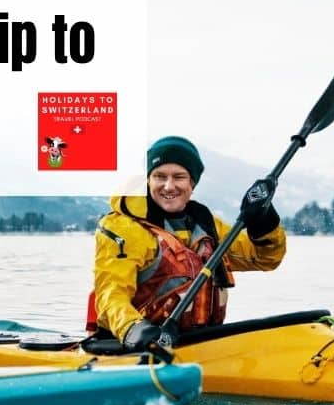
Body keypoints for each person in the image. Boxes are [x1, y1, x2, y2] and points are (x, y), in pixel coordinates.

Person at [87, 136, 287, 351]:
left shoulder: (207, 226)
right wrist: (134, 330)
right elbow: (111, 295)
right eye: (159, 176)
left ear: (192, 183)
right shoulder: (124, 228)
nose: (168, 186)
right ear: (148, 180)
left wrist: (264, 219)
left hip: (197, 345)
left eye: (179, 177)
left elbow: (265, 259)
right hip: (135, 346)